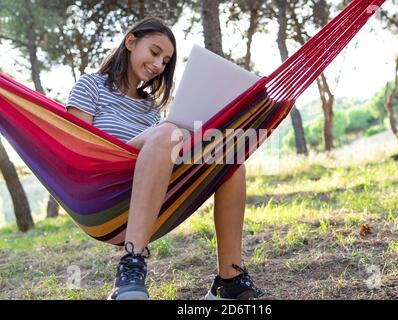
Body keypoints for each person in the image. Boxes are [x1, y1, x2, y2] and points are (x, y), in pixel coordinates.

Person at [66, 17, 266, 300]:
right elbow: (77, 150)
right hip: (104, 187)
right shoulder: (91, 86)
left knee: (230, 161)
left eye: (166, 60)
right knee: (167, 133)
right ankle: (131, 264)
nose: (159, 65)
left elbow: (161, 150)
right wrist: (167, 133)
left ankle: (230, 279)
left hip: (148, 190)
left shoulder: (150, 108)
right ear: (131, 42)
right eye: (155, 52)